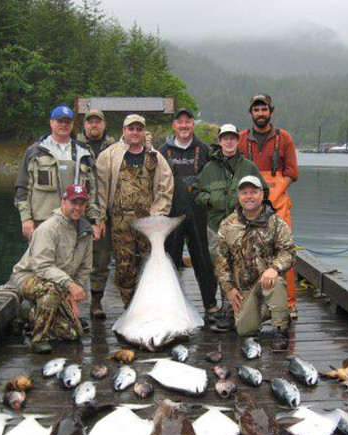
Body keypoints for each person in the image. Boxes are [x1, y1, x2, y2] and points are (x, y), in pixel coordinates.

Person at [193, 123, 268, 331]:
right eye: (225, 137)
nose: (228, 141)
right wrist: (212, 198)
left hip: (244, 227)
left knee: (244, 268)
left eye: (232, 137)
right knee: (222, 268)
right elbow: (196, 194)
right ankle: (226, 308)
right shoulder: (209, 168)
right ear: (219, 140)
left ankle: (245, 309)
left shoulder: (248, 166)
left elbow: (265, 192)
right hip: (216, 227)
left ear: (238, 140)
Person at [95, 114, 174, 306]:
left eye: (139, 129)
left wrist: (158, 215)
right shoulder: (109, 155)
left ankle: (150, 305)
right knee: (124, 268)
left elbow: (166, 186)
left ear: (144, 132)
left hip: (149, 223)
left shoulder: (155, 157)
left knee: (150, 265)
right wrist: (99, 218)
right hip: (120, 223)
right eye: (131, 128)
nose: (135, 132)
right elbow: (99, 189)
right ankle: (129, 307)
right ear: (124, 130)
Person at [9, 184, 93, 354]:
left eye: (82, 203)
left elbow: (85, 267)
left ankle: (28, 311)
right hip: (29, 277)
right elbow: (42, 266)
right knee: (51, 290)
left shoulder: (86, 231)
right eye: (73, 203)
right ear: (63, 202)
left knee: (73, 333)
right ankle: (39, 338)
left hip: (59, 283)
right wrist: (70, 284)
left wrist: (72, 296)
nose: (77, 208)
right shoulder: (48, 228)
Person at [213, 176, 294, 350]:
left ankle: (280, 329)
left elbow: (288, 252)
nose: (249, 196)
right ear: (239, 196)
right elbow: (221, 260)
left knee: (276, 282)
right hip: (244, 290)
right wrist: (229, 289)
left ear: (262, 194)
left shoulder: (276, 223)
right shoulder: (228, 224)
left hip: (267, 282)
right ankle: (271, 310)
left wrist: (274, 268)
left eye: (253, 192)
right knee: (244, 330)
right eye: (245, 193)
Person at [238, 94, 299, 316]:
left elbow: (292, 172)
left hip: (279, 205)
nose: (260, 113)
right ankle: (252, 304)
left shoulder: (285, 138)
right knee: (248, 254)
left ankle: (289, 304)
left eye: (264, 109)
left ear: (270, 111)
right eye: (256, 110)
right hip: (250, 204)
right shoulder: (241, 138)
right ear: (251, 113)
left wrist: (274, 194)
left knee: (284, 252)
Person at [158, 108, 219, 314]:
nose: (184, 126)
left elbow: (214, 180)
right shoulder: (161, 152)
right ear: (173, 125)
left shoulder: (205, 150)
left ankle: (210, 304)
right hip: (171, 214)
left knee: (203, 259)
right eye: (179, 122)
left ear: (193, 124)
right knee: (170, 259)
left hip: (199, 214)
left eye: (188, 122)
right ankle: (169, 304)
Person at [14, 105, 101, 242]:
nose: (63, 125)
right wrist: (26, 219)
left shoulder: (84, 153)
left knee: (75, 263)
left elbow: (94, 192)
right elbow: (22, 188)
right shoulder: (34, 152)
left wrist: (95, 221)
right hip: (42, 223)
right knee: (42, 262)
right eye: (60, 121)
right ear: (51, 122)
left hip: (76, 223)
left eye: (67, 122)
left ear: (72, 125)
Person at [76, 109, 116, 320]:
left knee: (101, 258)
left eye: (97, 122)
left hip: (106, 210)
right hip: (79, 209)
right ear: (84, 125)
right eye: (90, 122)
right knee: (74, 257)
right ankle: (70, 301)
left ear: (103, 124)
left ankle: (96, 302)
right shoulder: (75, 147)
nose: (94, 125)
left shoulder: (115, 147)